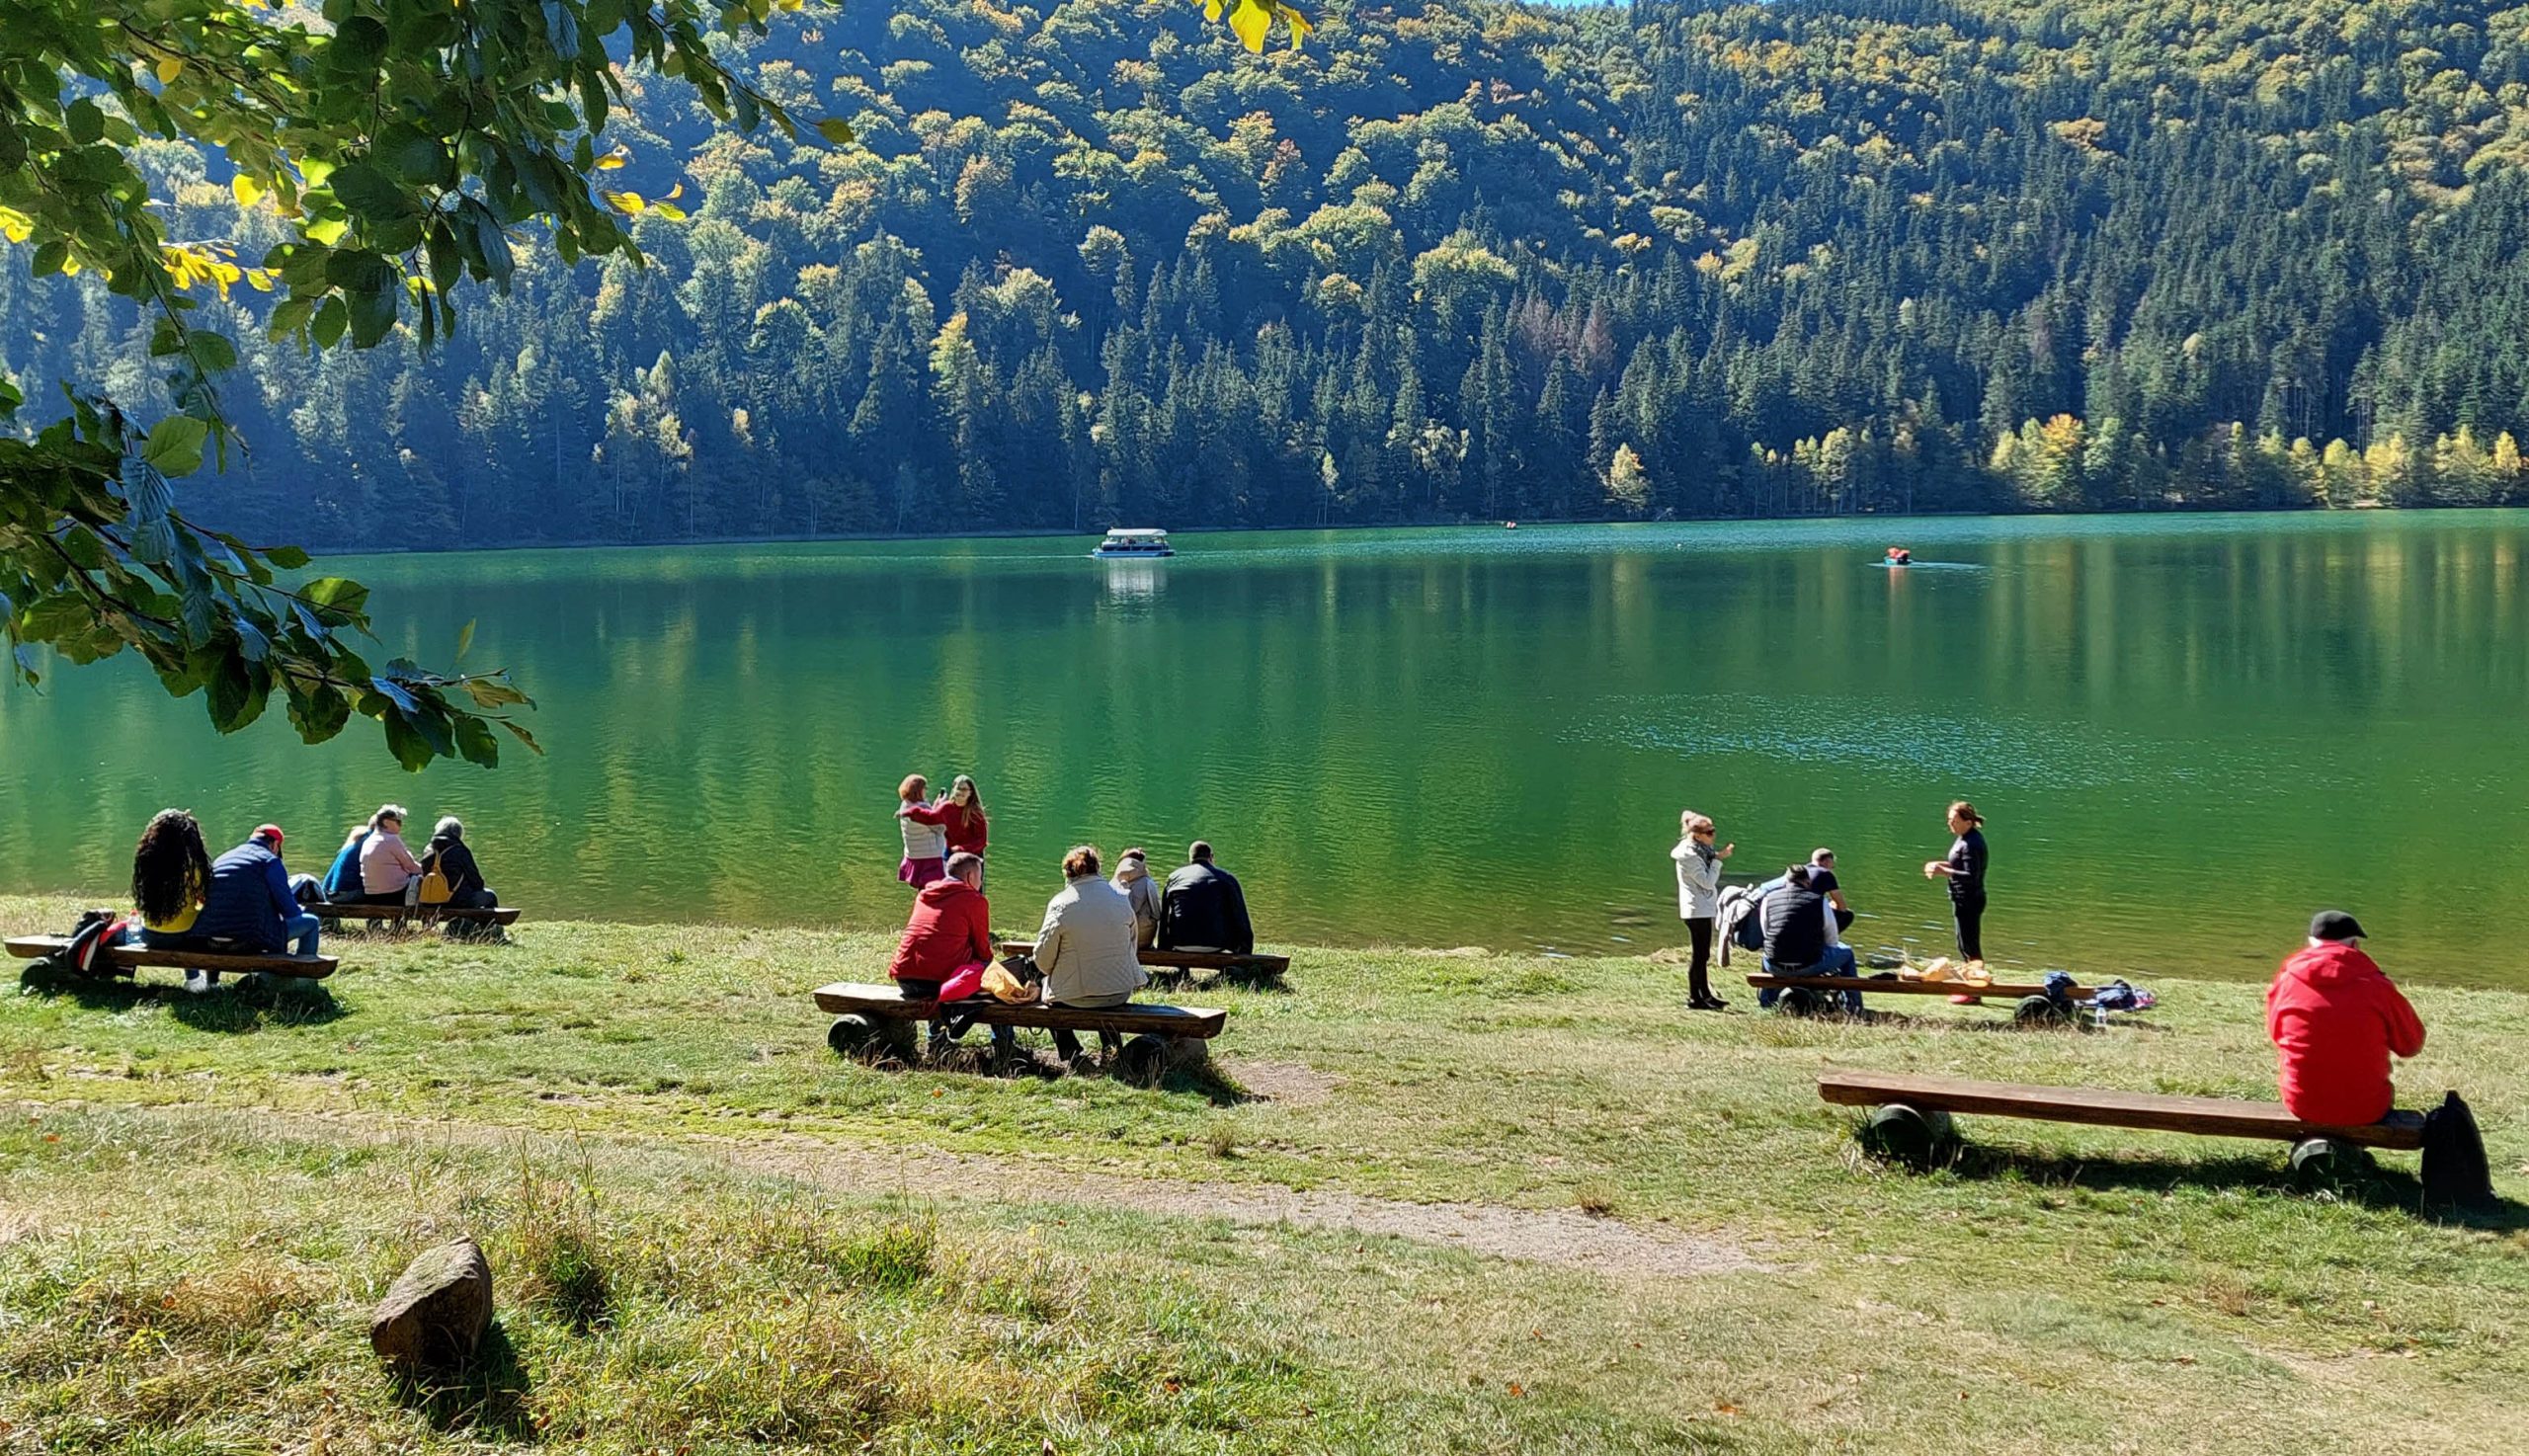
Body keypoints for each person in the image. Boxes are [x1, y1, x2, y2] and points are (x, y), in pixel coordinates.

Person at [2267, 911, 2425, 1126]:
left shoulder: (2287, 980)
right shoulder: (2377, 986)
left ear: (2310, 944)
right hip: (2367, 1108)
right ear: (2354, 945)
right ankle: (2351, 1155)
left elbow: (2277, 1035)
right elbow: (2411, 1045)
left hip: (2302, 1103)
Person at [1033, 845, 1146, 1064]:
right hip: (1120, 991)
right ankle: (1112, 1050)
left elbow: (1043, 961)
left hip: (1076, 997)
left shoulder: (1061, 904)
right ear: (1098, 868)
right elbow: (1132, 945)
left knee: (1046, 993)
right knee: (1104, 983)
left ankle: (1070, 1053)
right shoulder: (1121, 898)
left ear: (1067, 873)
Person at [890, 850, 1008, 1058]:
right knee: (994, 982)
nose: (980, 882)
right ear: (970, 876)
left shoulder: (925, 894)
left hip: (905, 978)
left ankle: (935, 1040)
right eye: (980, 877)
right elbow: (982, 949)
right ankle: (1004, 1045)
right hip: (938, 983)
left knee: (941, 963)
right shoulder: (974, 900)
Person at [191, 824, 321, 990]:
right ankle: (304, 980)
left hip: (209, 940)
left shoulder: (223, 858)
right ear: (275, 845)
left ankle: (212, 984)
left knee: (223, 919)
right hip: (246, 941)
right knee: (311, 923)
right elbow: (291, 912)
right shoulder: (270, 861)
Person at [1758, 864, 1861, 1013]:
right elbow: (1832, 939)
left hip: (1775, 965)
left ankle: (1767, 1003)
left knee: (1768, 953)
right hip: (1809, 964)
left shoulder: (1768, 899)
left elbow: (1767, 932)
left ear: (1786, 881)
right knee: (1847, 953)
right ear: (1807, 882)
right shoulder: (1819, 901)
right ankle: (1854, 1007)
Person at [1671, 812, 1733, 1011]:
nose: (1713, 835)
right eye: (1709, 832)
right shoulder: (1689, 855)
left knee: (1703, 955)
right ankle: (1694, 998)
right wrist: (1718, 860)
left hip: (1702, 908)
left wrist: (1714, 856)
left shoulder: (1700, 850)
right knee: (1699, 955)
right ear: (1697, 835)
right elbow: (1706, 882)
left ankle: (1705, 995)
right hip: (1696, 910)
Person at [128, 809, 212, 949]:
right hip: (184, 935)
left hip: (150, 935)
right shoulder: (193, 868)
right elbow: (204, 899)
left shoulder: (147, 862)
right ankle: (193, 972)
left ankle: (193, 972)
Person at [1158, 841, 1254, 955]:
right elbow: (1241, 918)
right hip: (1216, 944)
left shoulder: (1174, 878)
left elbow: (1164, 916)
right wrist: (1246, 950)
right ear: (1211, 857)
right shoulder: (1227, 878)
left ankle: (1181, 967)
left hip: (1180, 942)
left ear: (1190, 858)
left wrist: (1162, 947)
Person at [1922, 801, 1988, 964]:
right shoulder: (1964, 838)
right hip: (1963, 899)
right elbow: (1960, 866)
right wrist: (1939, 865)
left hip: (1969, 900)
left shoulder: (1970, 844)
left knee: (1969, 947)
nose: (1950, 823)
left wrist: (1943, 871)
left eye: (1954, 820)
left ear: (1968, 822)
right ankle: (1973, 981)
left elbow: (1971, 875)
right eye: (1949, 819)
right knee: (1963, 945)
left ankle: (1977, 982)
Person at [422, 817, 497, 910]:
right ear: (458, 834)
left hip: (429, 902)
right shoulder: (460, 851)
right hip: (455, 902)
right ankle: (485, 923)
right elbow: (477, 883)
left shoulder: (428, 850)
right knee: (491, 896)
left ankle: (465, 922)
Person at [356, 804, 425, 905]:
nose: (401, 825)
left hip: (371, 896)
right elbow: (412, 867)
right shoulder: (391, 839)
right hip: (394, 895)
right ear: (386, 822)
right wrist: (428, 872)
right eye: (398, 821)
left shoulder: (368, 841)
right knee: (423, 880)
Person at [896, 774, 952, 890]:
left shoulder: (905, 806)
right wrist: (942, 807)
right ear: (918, 791)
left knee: (923, 891)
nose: (926, 791)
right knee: (935, 890)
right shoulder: (922, 809)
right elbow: (940, 828)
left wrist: (935, 807)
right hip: (930, 856)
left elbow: (929, 819)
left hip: (913, 855)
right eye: (924, 788)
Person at [1112, 847, 1163, 949]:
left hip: (1118, 941)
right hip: (1142, 942)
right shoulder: (1148, 883)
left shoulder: (1113, 883)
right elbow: (1157, 914)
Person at [941, 775, 988, 884]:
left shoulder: (976, 813)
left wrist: (961, 849)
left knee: (972, 892)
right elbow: (931, 819)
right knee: (949, 888)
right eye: (957, 788)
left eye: (964, 789)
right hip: (950, 854)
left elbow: (982, 842)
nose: (960, 792)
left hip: (971, 858)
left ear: (970, 793)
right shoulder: (946, 808)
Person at [1808, 847, 1854, 931]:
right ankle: (1824, 941)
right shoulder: (1825, 873)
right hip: (1809, 917)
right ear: (1828, 861)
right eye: (1832, 866)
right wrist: (1830, 906)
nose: (1832, 868)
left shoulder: (1797, 872)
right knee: (1847, 915)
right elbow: (1842, 907)